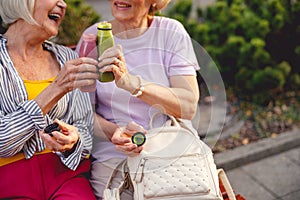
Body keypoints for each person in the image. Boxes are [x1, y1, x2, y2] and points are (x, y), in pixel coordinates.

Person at [76, 0, 220, 199]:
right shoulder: (93, 37)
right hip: (114, 158)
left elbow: (187, 106)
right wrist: (115, 133)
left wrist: (133, 84)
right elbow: (81, 113)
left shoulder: (170, 32)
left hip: (170, 151)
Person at [0, 0, 99, 199]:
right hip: (9, 178)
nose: (63, 4)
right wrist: (56, 88)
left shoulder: (67, 57)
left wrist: (74, 140)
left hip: (65, 175)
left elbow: (85, 127)